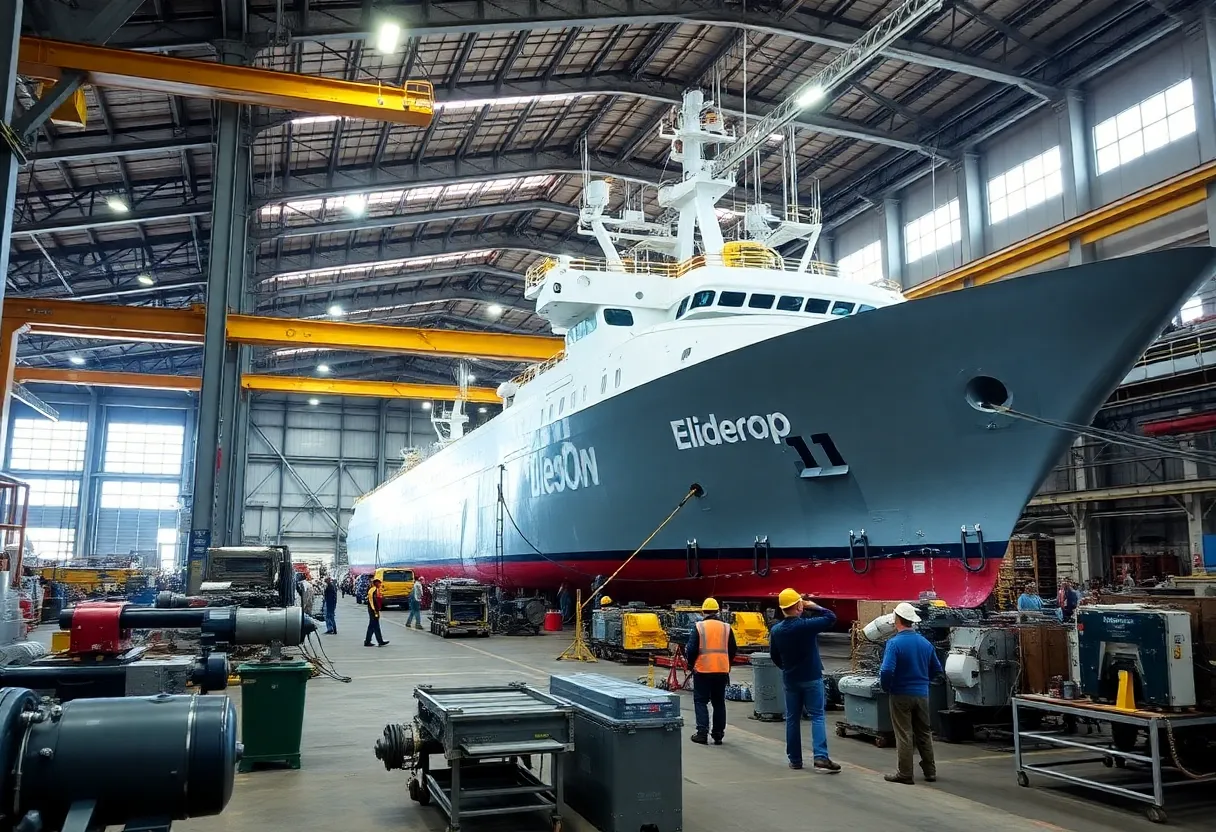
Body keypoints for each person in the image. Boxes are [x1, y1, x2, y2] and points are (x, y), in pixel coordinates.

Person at [768, 588, 841, 773]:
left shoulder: (776, 630)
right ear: (799, 605)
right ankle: (820, 757)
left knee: (792, 719)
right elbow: (831, 617)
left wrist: (787, 668)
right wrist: (814, 605)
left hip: (791, 679)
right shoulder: (806, 625)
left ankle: (795, 760)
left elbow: (774, 656)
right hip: (811, 676)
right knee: (817, 715)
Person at [878, 602, 943, 785]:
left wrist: (887, 687)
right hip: (922, 694)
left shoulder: (894, 643)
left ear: (897, 619)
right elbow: (937, 669)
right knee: (924, 732)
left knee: (904, 733)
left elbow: (887, 671)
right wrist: (924, 682)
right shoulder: (925, 643)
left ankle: (905, 773)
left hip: (900, 694)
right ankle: (930, 771)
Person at [685, 597, 737, 746]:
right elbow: (733, 649)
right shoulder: (726, 627)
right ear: (717, 611)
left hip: (703, 670)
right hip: (721, 670)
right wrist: (726, 663)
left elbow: (692, 649)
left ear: (703, 612)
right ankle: (718, 735)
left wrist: (690, 664)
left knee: (700, 701)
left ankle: (702, 733)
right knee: (719, 702)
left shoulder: (699, 627)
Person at [364, 578, 390, 647]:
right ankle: (376, 641)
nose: (380, 584)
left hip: (373, 610)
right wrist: (375, 611)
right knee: (374, 626)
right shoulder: (373, 590)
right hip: (373, 611)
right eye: (379, 583)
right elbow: (372, 602)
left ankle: (369, 641)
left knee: (373, 626)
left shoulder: (374, 589)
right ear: (376, 583)